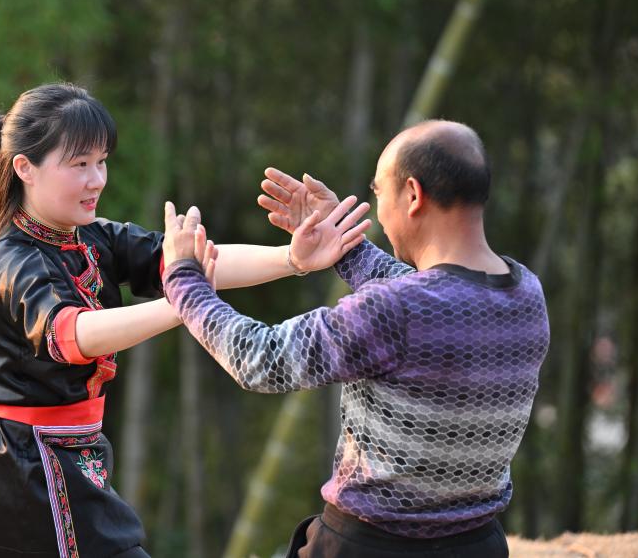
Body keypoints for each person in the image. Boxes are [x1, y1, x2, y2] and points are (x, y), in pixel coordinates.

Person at [0, 83, 339, 558]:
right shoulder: (11, 264)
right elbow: (72, 334)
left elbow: (194, 261)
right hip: (19, 472)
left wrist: (292, 258)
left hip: (66, 457)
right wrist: (183, 302)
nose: (97, 180)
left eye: (101, 162)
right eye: (79, 164)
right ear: (25, 168)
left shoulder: (92, 238)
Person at [161, 120, 549, 558]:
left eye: (379, 193)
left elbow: (260, 359)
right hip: (479, 545)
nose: (378, 211)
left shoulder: (397, 309)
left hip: (372, 547)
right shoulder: (526, 292)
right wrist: (346, 245)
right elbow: (433, 301)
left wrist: (184, 278)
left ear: (413, 195)